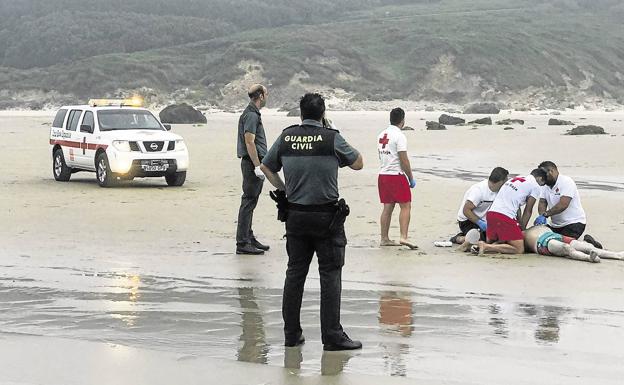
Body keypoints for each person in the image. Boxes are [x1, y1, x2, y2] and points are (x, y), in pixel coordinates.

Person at [260, 93, 364, 351]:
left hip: (295, 215)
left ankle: (291, 334)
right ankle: (332, 336)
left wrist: (284, 189)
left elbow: (266, 167)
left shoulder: (287, 136)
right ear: (323, 112)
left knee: (295, 274)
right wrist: (330, 135)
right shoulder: (331, 138)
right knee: (330, 275)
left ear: (300, 113)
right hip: (327, 218)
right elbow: (359, 163)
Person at [534, 161, 602, 248]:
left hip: (574, 223)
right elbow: (542, 202)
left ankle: (591, 244)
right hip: (555, 225)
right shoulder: (545, 186)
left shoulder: (566, 182)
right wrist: (541, 215)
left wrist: (546, 214)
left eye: (544, 175)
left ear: (551, 171)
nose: (542, 178)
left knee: (563, 246)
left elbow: (563, 205)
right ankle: (582, 242)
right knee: (543, 241)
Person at [235, 84, 270, 255]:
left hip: (254, 161)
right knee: (248, 201)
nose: (267, 96)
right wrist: (257, 166)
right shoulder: (251, 115)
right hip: (251, 162)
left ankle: (249, 237)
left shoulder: (252, 114)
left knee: (252, 200)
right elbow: (250, 141)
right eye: (266, 93)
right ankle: (242, 242)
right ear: (261, 96)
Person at [478, 169, 547, 255]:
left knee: (501, 242)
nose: (541, 186)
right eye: (542, 184)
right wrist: (522, 229)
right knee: (518, 249)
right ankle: (486, 246)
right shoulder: (535, 186)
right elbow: (528, 210)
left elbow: (516, 206)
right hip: (504, 216)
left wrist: (518, 225)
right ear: (540, 179)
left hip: (491, 214)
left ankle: (475, 246)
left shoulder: (515, 179)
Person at [376, 107, 418, 249]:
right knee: (406, 205)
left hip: (383, 175)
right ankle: (403, 237)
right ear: (403, 120)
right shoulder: (399, 136)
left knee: (387, 207)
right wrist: (410, 177)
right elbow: (404, 160)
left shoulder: (381, 134)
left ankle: (384, 238)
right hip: (396, 176)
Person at [452, 167, 509, 245]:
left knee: (498, 237)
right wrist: (480, 223)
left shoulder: (500, 191)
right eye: (506, 181)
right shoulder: (479, 190)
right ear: (500, 182)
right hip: (467, 220)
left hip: (484, 219)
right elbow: (466, 210)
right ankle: (458, 238)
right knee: (480, 240)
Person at [524, 225, 624, 263]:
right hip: (542, 242)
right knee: (566, 248)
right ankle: (588, 258)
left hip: (555, 235)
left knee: (586, 246)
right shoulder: (522, 235)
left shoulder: (536, 226)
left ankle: (617, 255)